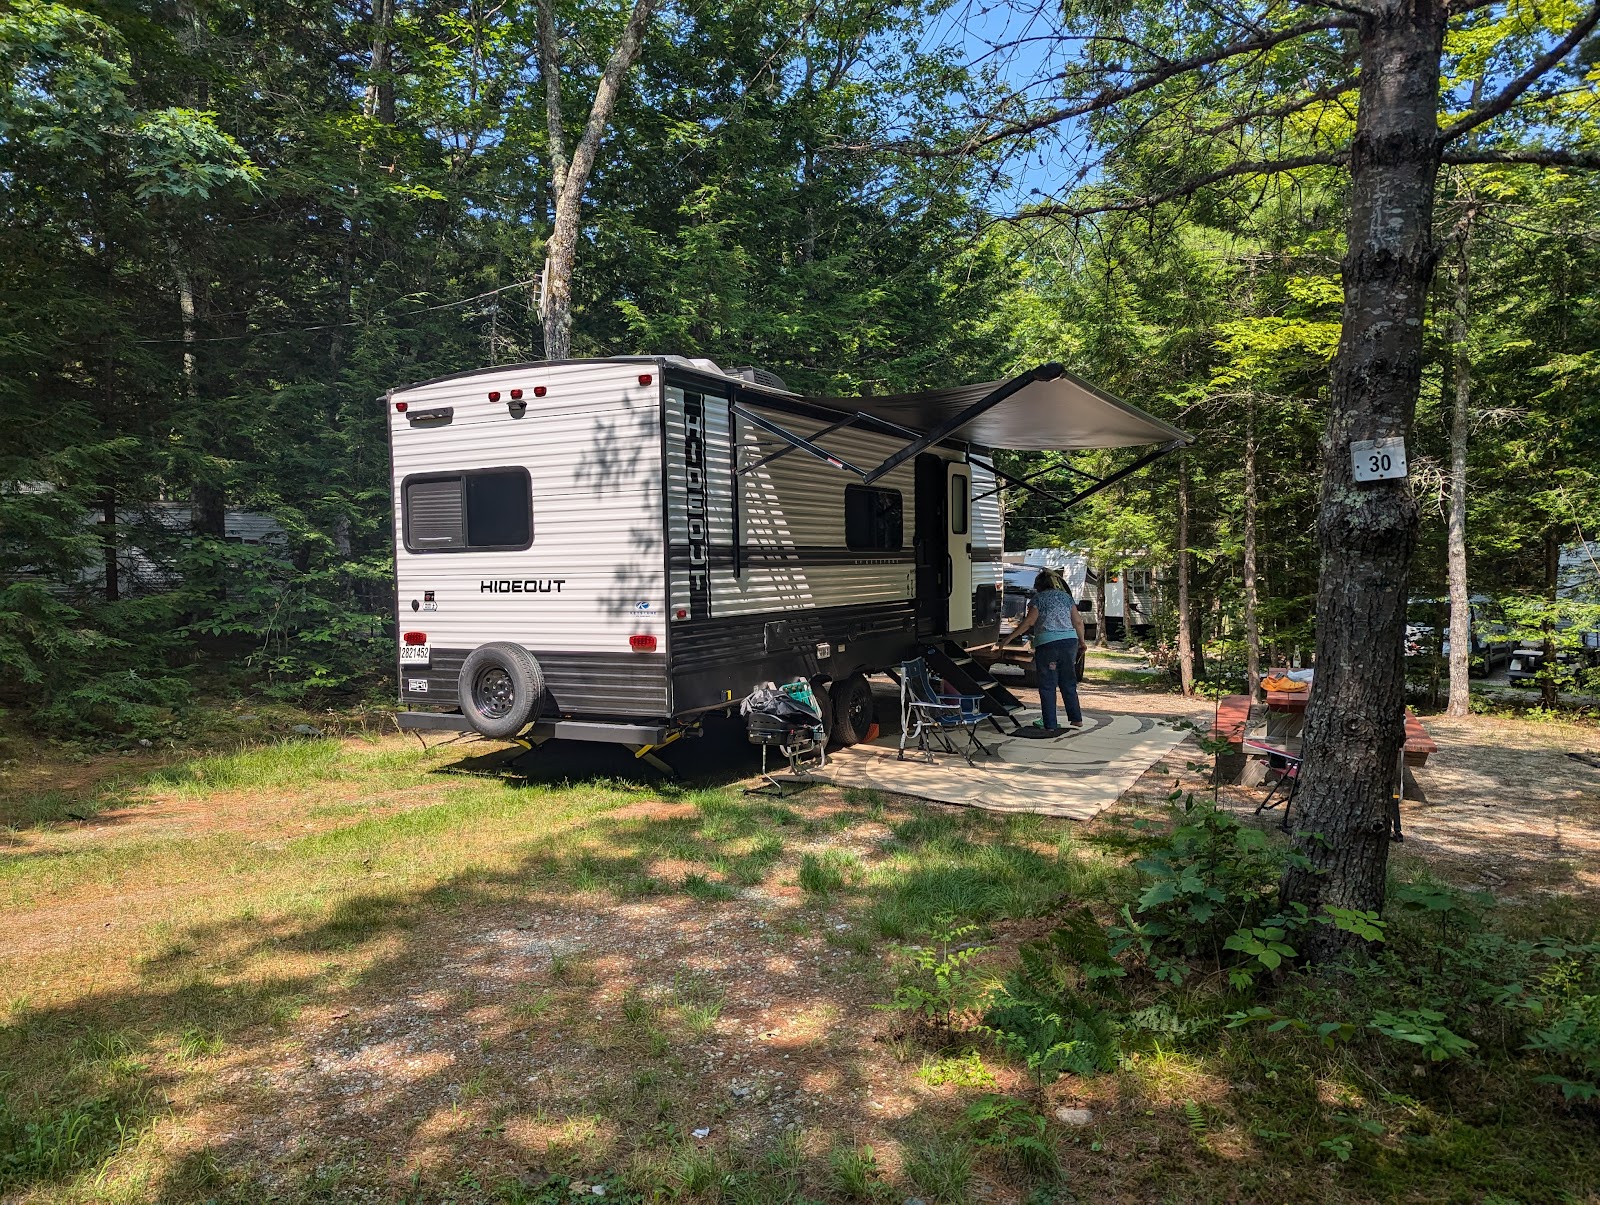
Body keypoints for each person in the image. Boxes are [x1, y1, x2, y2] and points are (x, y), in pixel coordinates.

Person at [999, 570, 1086, 733]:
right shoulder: (1066, 598)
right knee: (1068, 681)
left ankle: (1050, 724)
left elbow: (1029, 622)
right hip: (1069, 643)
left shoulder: (1038, 599)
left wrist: (1008, 639)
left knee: (1048, 684)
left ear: (1038, 586)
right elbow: (1078, 621)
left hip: (1048, 645)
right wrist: (1082, 642)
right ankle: (1076, 719)